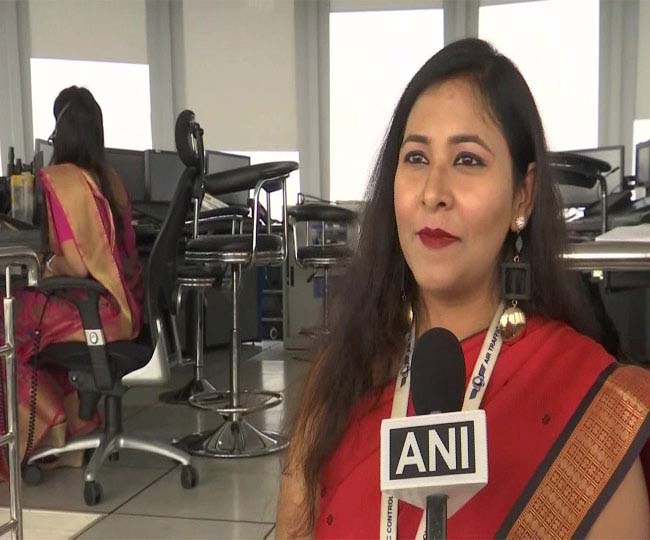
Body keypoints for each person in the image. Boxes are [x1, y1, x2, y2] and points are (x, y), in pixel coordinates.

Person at [276, 39, 650, 539]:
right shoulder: (342, 372)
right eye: (416, 157)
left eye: (468, 160)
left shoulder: (589, 407)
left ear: (522, 196)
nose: (433, 192)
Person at [0, 86, 143, 479]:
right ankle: (73, 429)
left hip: (96, 312)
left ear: (60, 133)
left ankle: (45, 432)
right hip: (125, 309)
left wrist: (46, 265)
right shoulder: (111, 178)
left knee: (8, 321)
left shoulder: (61, 180)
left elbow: (76, 266)